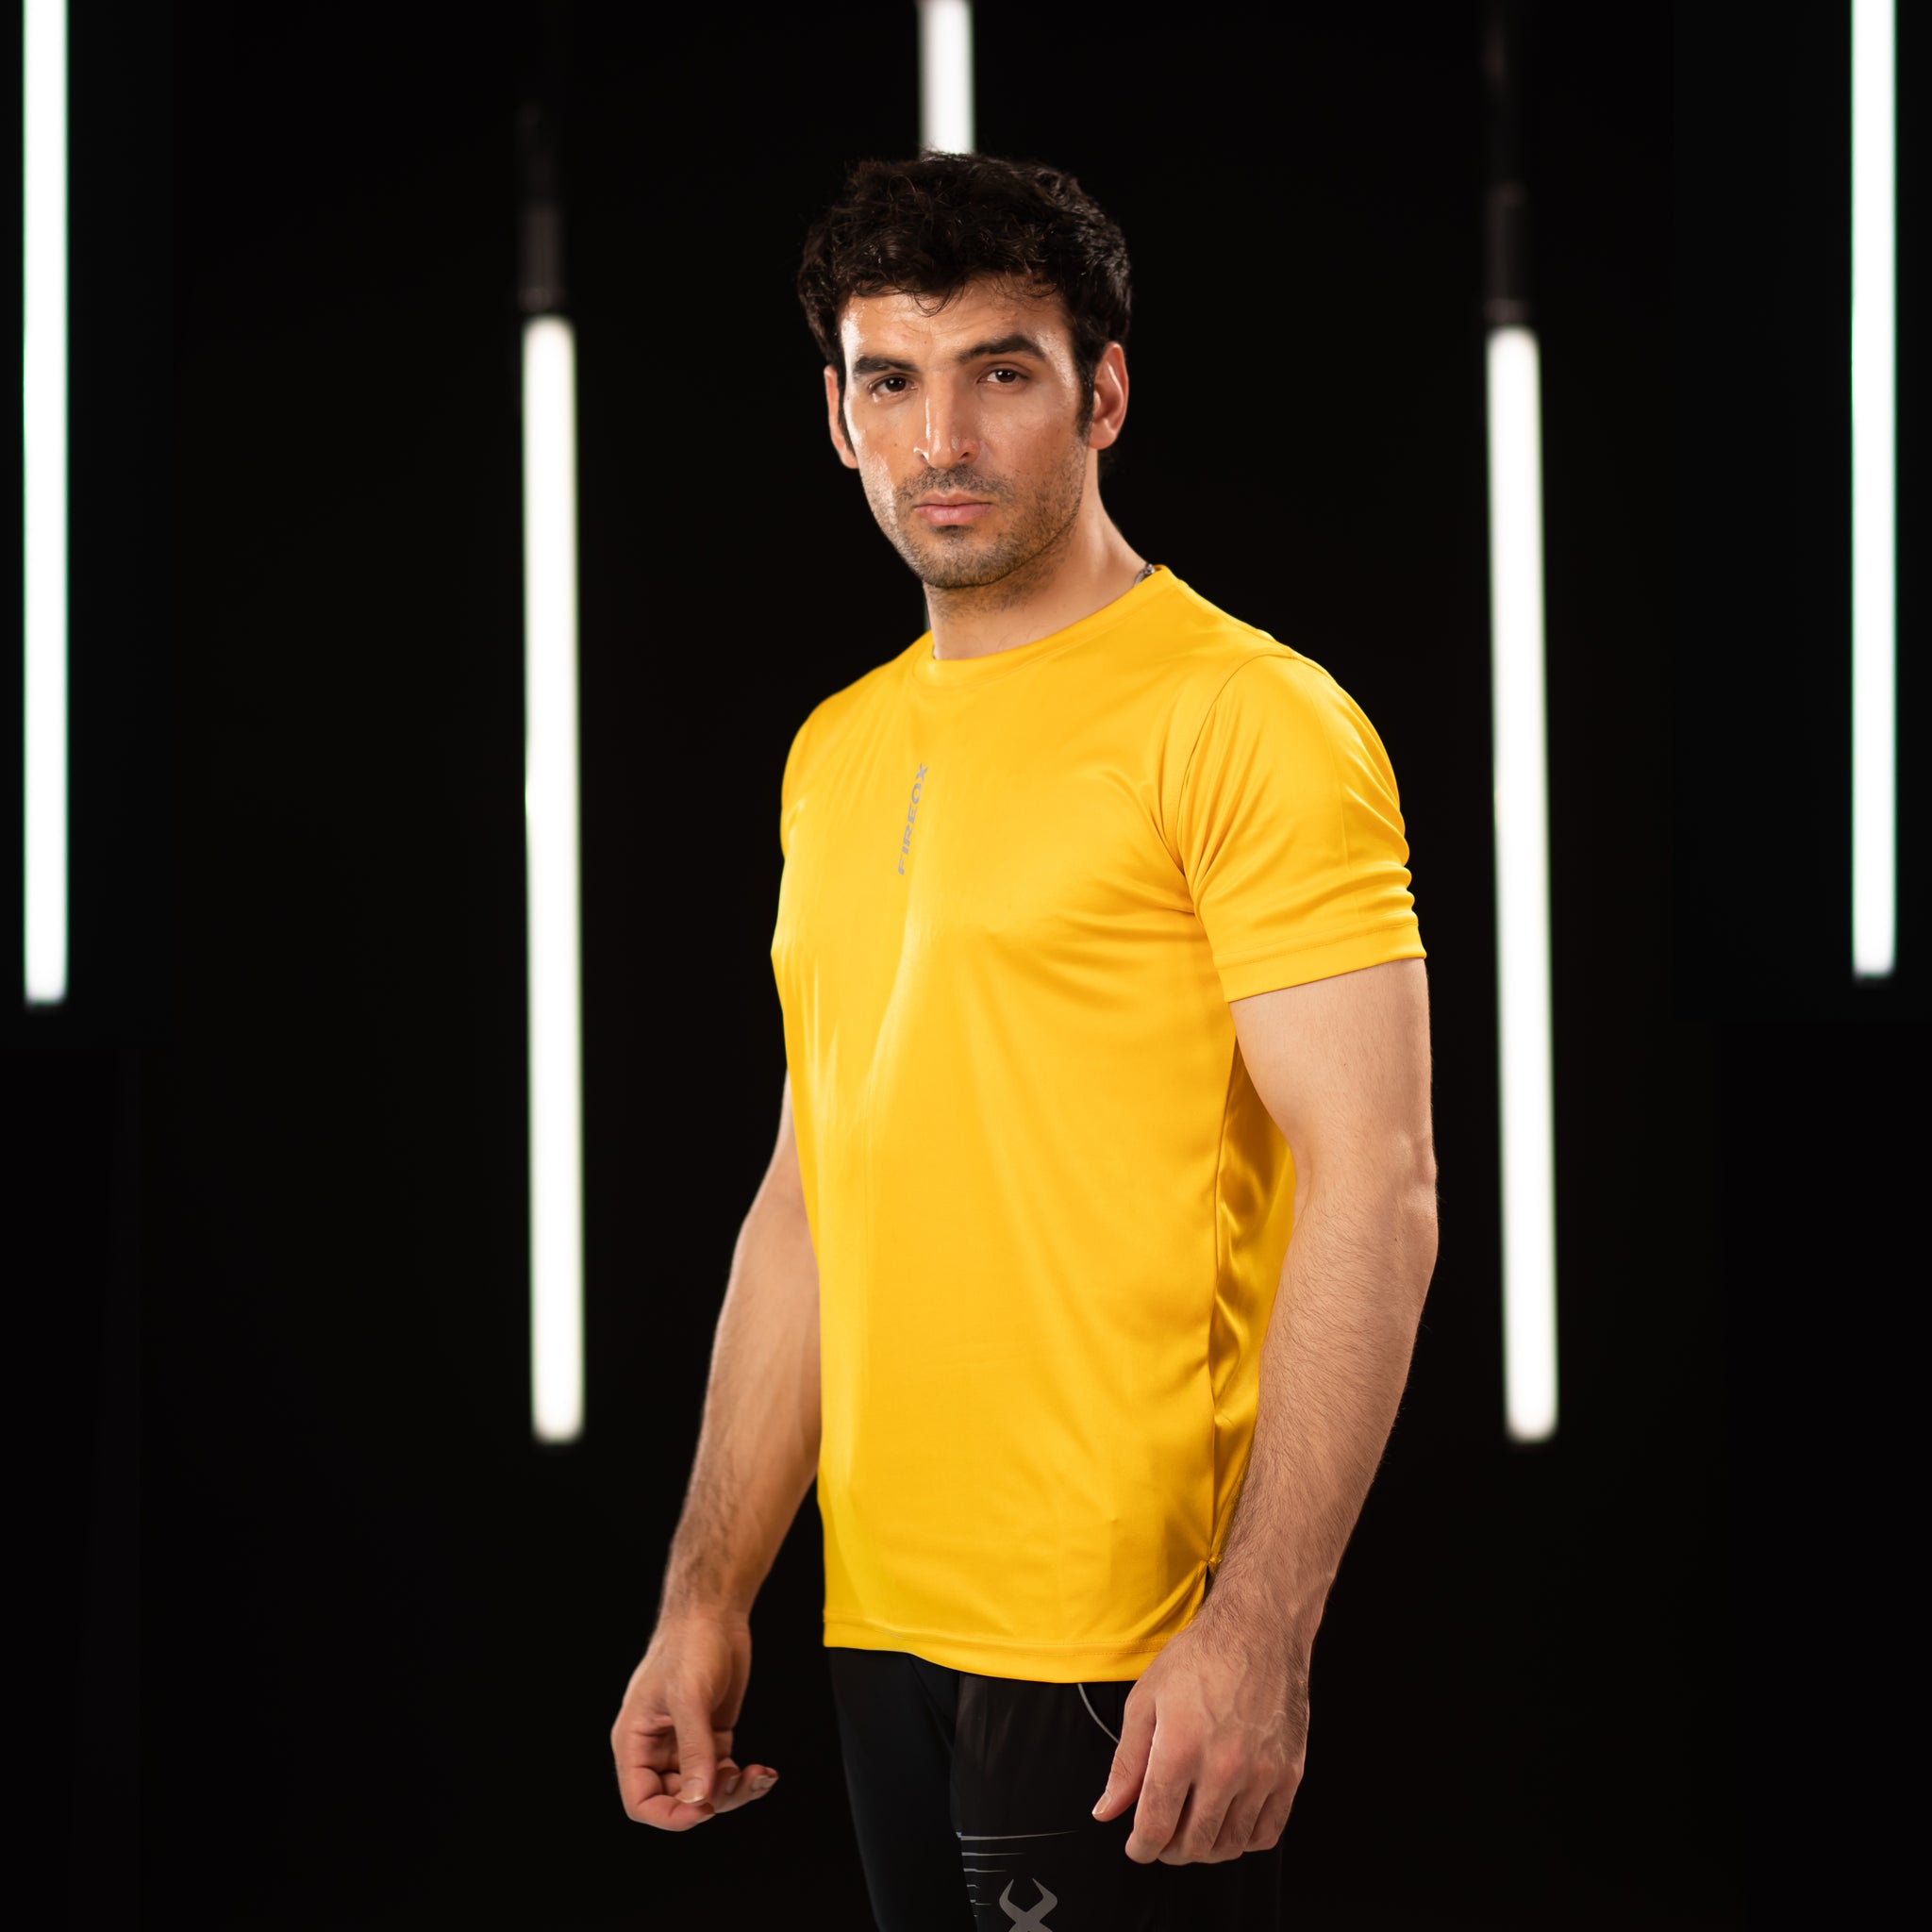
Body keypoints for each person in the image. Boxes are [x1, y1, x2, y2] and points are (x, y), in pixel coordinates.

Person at [610, 152, 1439, 1930]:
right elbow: (808, 1203)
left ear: (1103, 393)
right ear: (837, 417)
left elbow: (1378, 1184)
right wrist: (706, 1594)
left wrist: (1261, 1630)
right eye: (890, 382)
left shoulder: (1248, 720)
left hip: (1122, 1636)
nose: (942, 439)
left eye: (1001, 371)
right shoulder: (835, 752)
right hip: (881, 1616)